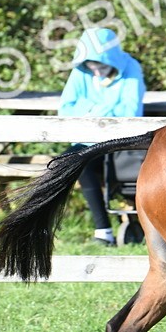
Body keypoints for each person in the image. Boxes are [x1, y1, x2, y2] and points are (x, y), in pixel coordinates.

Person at [59, 27, 145, 246]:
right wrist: (106, 108)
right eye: (91, 67)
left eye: (102, 66)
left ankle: (132, 225)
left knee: (85, 161)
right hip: (87, 140)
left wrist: (90, 109)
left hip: (121, 141)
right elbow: (65, 109)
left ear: (112, 60)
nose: (96, 72)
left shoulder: (131, 68)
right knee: (70, 162)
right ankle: (103, 230)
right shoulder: (81, 71)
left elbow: (130, 111)